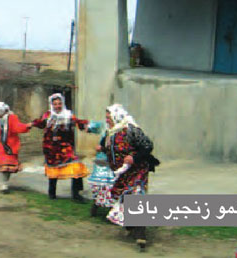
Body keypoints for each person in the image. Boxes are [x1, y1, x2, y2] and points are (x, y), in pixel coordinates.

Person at [99, 104, 159, 249]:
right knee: (125, 198)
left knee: (136, 196)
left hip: (137, 169)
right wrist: (101, 148)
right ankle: (131, 226)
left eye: (109, 117)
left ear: (116, 116)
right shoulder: (110, 132)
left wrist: (134, 158)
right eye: (107, 118)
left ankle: (141, 236)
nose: (107, 120)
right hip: (121, 173)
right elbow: (104, 145)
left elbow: (147, 147)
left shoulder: (131, 130)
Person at [31, 93, 91, 202]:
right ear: (51, 105)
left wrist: (85, 125)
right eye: (55, 104)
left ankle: (76, 194)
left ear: (62, 104)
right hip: (51, 148)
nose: (57, 106)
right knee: (53, 171)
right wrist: (32, 124)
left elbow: (77, 122)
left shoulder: (68, 115)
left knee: (76, 166)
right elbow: (40, 123)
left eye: (59, 104)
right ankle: (52, 193)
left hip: (66, 148)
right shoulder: (48, 115)